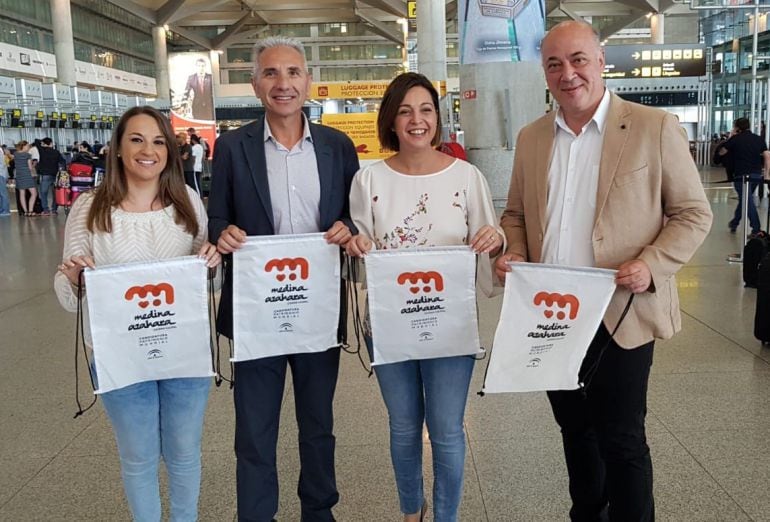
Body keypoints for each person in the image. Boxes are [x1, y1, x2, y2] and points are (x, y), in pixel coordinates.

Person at [494, 21, 713, 521]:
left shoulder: (653, 127)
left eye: (577, 60)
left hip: (622, 311)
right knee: (575, 431)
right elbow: (516, 216)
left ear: (601, 61)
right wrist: (517, 252)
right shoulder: (532, 138)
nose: (567, 74)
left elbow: (693, 213)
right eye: (554, 64)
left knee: (622, 437)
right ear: (544, 73)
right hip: (552, 315)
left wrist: (651, 263)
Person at [207, 35, 359, 522]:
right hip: (257, 314)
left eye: (293, 72)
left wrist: (348, 228)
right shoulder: (232, 147)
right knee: (254, 429)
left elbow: (353, 218)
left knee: (318, 424)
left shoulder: (337, 147)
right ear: (255, 85)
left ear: (308, 82)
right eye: (271, 73)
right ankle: (256, 515)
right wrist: (225, 234)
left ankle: (319, 511)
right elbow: (217, 220)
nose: (283, 83)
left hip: (317, 309)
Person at [345, 72, 503, 522]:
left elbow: (489, 242)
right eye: (405, 111)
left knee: (449, 430)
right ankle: (411, 511)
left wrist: (494, 239)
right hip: (389, 325)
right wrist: (356, 247)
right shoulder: (369, 180)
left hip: (450, 326)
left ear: (438, 117)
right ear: (391, 121)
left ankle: (446, 516)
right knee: (402, 428)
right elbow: (360, 250)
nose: (417, 120)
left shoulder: (467, 177)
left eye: (426, 109)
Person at [53, 106, 221, 521]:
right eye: (137, 139)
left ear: (170, 149)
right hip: (119, 359)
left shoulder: (188, 203)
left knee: (184, 453)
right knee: (139, 458)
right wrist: (75, 279)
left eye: (159, 141)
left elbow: (209, 282)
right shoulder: (91, 208)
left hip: (185, 355)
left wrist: (215, 265)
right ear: (118, 148)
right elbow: (67, 294)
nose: (149, 150)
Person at [717, 117, 770, 234]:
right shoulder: (758, 139)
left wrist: (731, 137)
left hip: (741, 176)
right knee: (745, 200)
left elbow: (722, 152)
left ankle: (756, 229)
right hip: (756, 176)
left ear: (737, 127)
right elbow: (767, 156)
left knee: (747, 201)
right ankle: (734, 222)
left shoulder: (735, 139)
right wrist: (766, 175)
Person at [37, 137, 64, 215]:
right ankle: (54, 209)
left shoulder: (42, 151)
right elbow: (62, 161)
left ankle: (45, 210)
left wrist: (43, 144)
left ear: (44, 144)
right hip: (55, 175)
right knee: (55, 193)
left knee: (43, 192)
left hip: (45, 175)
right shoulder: (56, 152)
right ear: (51, 144)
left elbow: (36, 141)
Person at [13, 141, 38, 216]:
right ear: (23, 146)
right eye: (27, 146)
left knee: (22, 194)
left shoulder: (15, 154)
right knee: (34, 193)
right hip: (27, 175)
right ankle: (30, 211)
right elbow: (30, 167)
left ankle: (25, 211)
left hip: (19, 176)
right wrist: (34, 166)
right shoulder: (27, 155)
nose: (28, 147)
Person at [0, 145, 10, 216]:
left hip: (1, 174)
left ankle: (5, 210)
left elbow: (3, 164)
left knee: (3, 193)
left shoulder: (1, 153)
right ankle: (2, 209)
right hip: (2, 174)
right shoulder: (2, 152)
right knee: (1, 193)